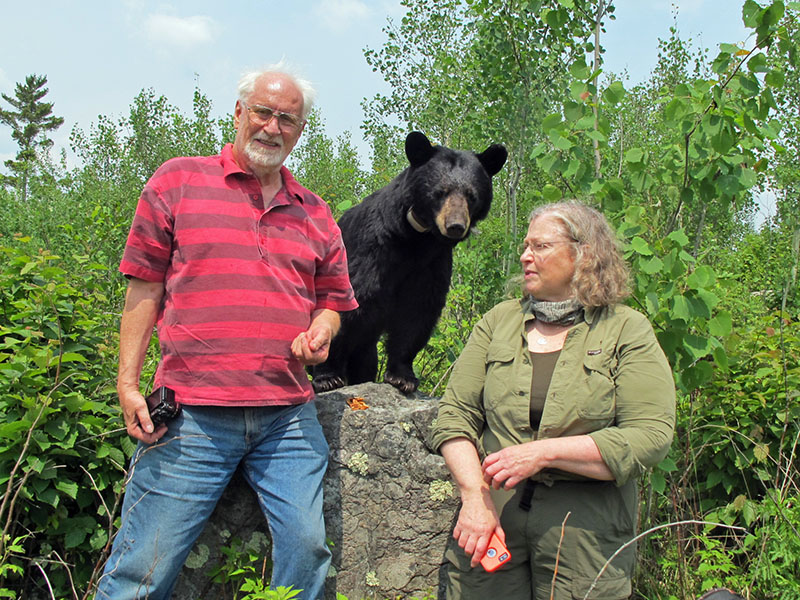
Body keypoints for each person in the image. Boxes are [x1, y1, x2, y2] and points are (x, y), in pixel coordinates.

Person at [95, 63, 358, 600]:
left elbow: (333, 302)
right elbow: (143, 290)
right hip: (192, 414)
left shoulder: (315, 212)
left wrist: (322, 331)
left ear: (300, 130)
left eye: (287, 118)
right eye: (262, 111)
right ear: (238, 112)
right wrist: (127, 385)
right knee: (140, 572)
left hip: (287, 417)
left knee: (308, 552)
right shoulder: (177, 181)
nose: (272, 126)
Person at [429, 201, 676, 600]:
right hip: (493, 521)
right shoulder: (499, 321)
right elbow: (455, 415)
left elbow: (650, 435)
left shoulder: (625, 329)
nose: (526, 256)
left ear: (583, 254)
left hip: (584, 534)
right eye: (526, 246)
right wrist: (474, 497)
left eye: (541, 247)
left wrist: (544, 453)